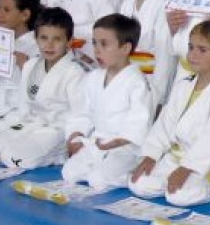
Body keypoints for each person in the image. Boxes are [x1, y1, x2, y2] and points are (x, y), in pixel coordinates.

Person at [0, 6, 89, 170]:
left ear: (68, 41)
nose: (49, 45)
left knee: (13, 157)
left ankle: (58, 155)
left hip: (57, 129)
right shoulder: (31, 64)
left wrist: (76, 136)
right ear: (36, 39)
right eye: (44, 38)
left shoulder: (74, 72)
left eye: (57, 39)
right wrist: (17, 123)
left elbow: (81, 113)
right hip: (29, 122)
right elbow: (24, 102)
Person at [129, 17, 210, 206]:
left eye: (202, 50)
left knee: (179, 196)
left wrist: (188, 168)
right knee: (139, 184)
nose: (193, 55)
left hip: (209, 164)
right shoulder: (183, 85)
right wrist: (151, 154)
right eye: (191, 47)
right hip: (177, 156)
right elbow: (165, 124)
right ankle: (173, 178)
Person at [61, 14, 153, 192]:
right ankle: (100, 167)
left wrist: (116, 142)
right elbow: (82, 113)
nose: (96, 50)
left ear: (125, 48)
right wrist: (76, 134)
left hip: (125, 149)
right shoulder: (93, 78)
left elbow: (139, 125)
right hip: (96, 144)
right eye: (94, 43)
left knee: (98, 180)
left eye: (104, 44)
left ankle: (128, 173)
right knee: (69, 173)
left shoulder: (136, 82)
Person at [119, 0, 177, 115]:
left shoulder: (166, 4)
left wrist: (157, 102)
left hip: (150, 89)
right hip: (124, 83)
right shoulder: (128, 1)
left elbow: (165, 60)